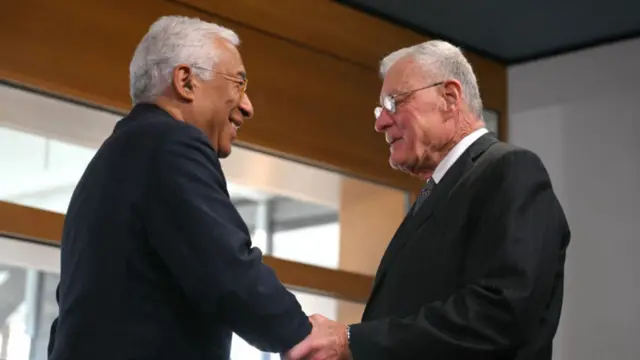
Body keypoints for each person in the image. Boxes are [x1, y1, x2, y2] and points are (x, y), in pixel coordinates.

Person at [47, 15, 311, 360]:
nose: (247, 106)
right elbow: (229, 270)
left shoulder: (115, 156)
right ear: (185, 81)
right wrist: (303, 337)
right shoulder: (170, 144)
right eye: (239, 85)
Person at [287, 40, 571, 360]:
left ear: (449, 98)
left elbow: (502, 312)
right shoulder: (438, 191)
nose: (380, 122)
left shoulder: (510, 169)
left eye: (394, 103)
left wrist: (353, 340)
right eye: (380, 110)